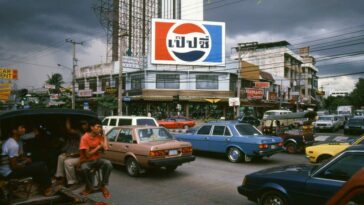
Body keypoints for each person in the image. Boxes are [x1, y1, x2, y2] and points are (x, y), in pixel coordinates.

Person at [0, 123, 55, 196]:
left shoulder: (9, 141)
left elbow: (13, 158)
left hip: (4, 171)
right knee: (41, 165)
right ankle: (47, 188)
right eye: (21, 128)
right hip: (9, 173)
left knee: (34, 164)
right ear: (14, 131)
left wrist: (24, 160)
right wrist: (24, 165)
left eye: (24, 128)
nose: (24, 129)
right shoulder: (13, 145)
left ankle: (42, 185)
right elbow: (14, 166)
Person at [79, 119, 112, 198]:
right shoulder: (85, 138)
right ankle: (89, 187)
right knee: (84, 168)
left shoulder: (99, 137)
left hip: (97, 160)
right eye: (98, 127)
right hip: (86, 161)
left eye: (101, 127)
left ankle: (103, 185)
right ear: (91, 127)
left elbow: (106, 148)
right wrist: (98, 147)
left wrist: (104, 135)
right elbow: (87, 155)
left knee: (108, 164)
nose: (99, 128)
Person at [54, 119, 89, 187]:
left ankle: (73, 181)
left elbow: (83, 152)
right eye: (82, 124)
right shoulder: (80, 133)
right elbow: (69, 130)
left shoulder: (86, 135)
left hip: (84, 157)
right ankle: (61, 177)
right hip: (79, 155)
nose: (83, 126)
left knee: (68, 162)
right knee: (61, 157)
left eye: (85, 124)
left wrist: (70, 155)